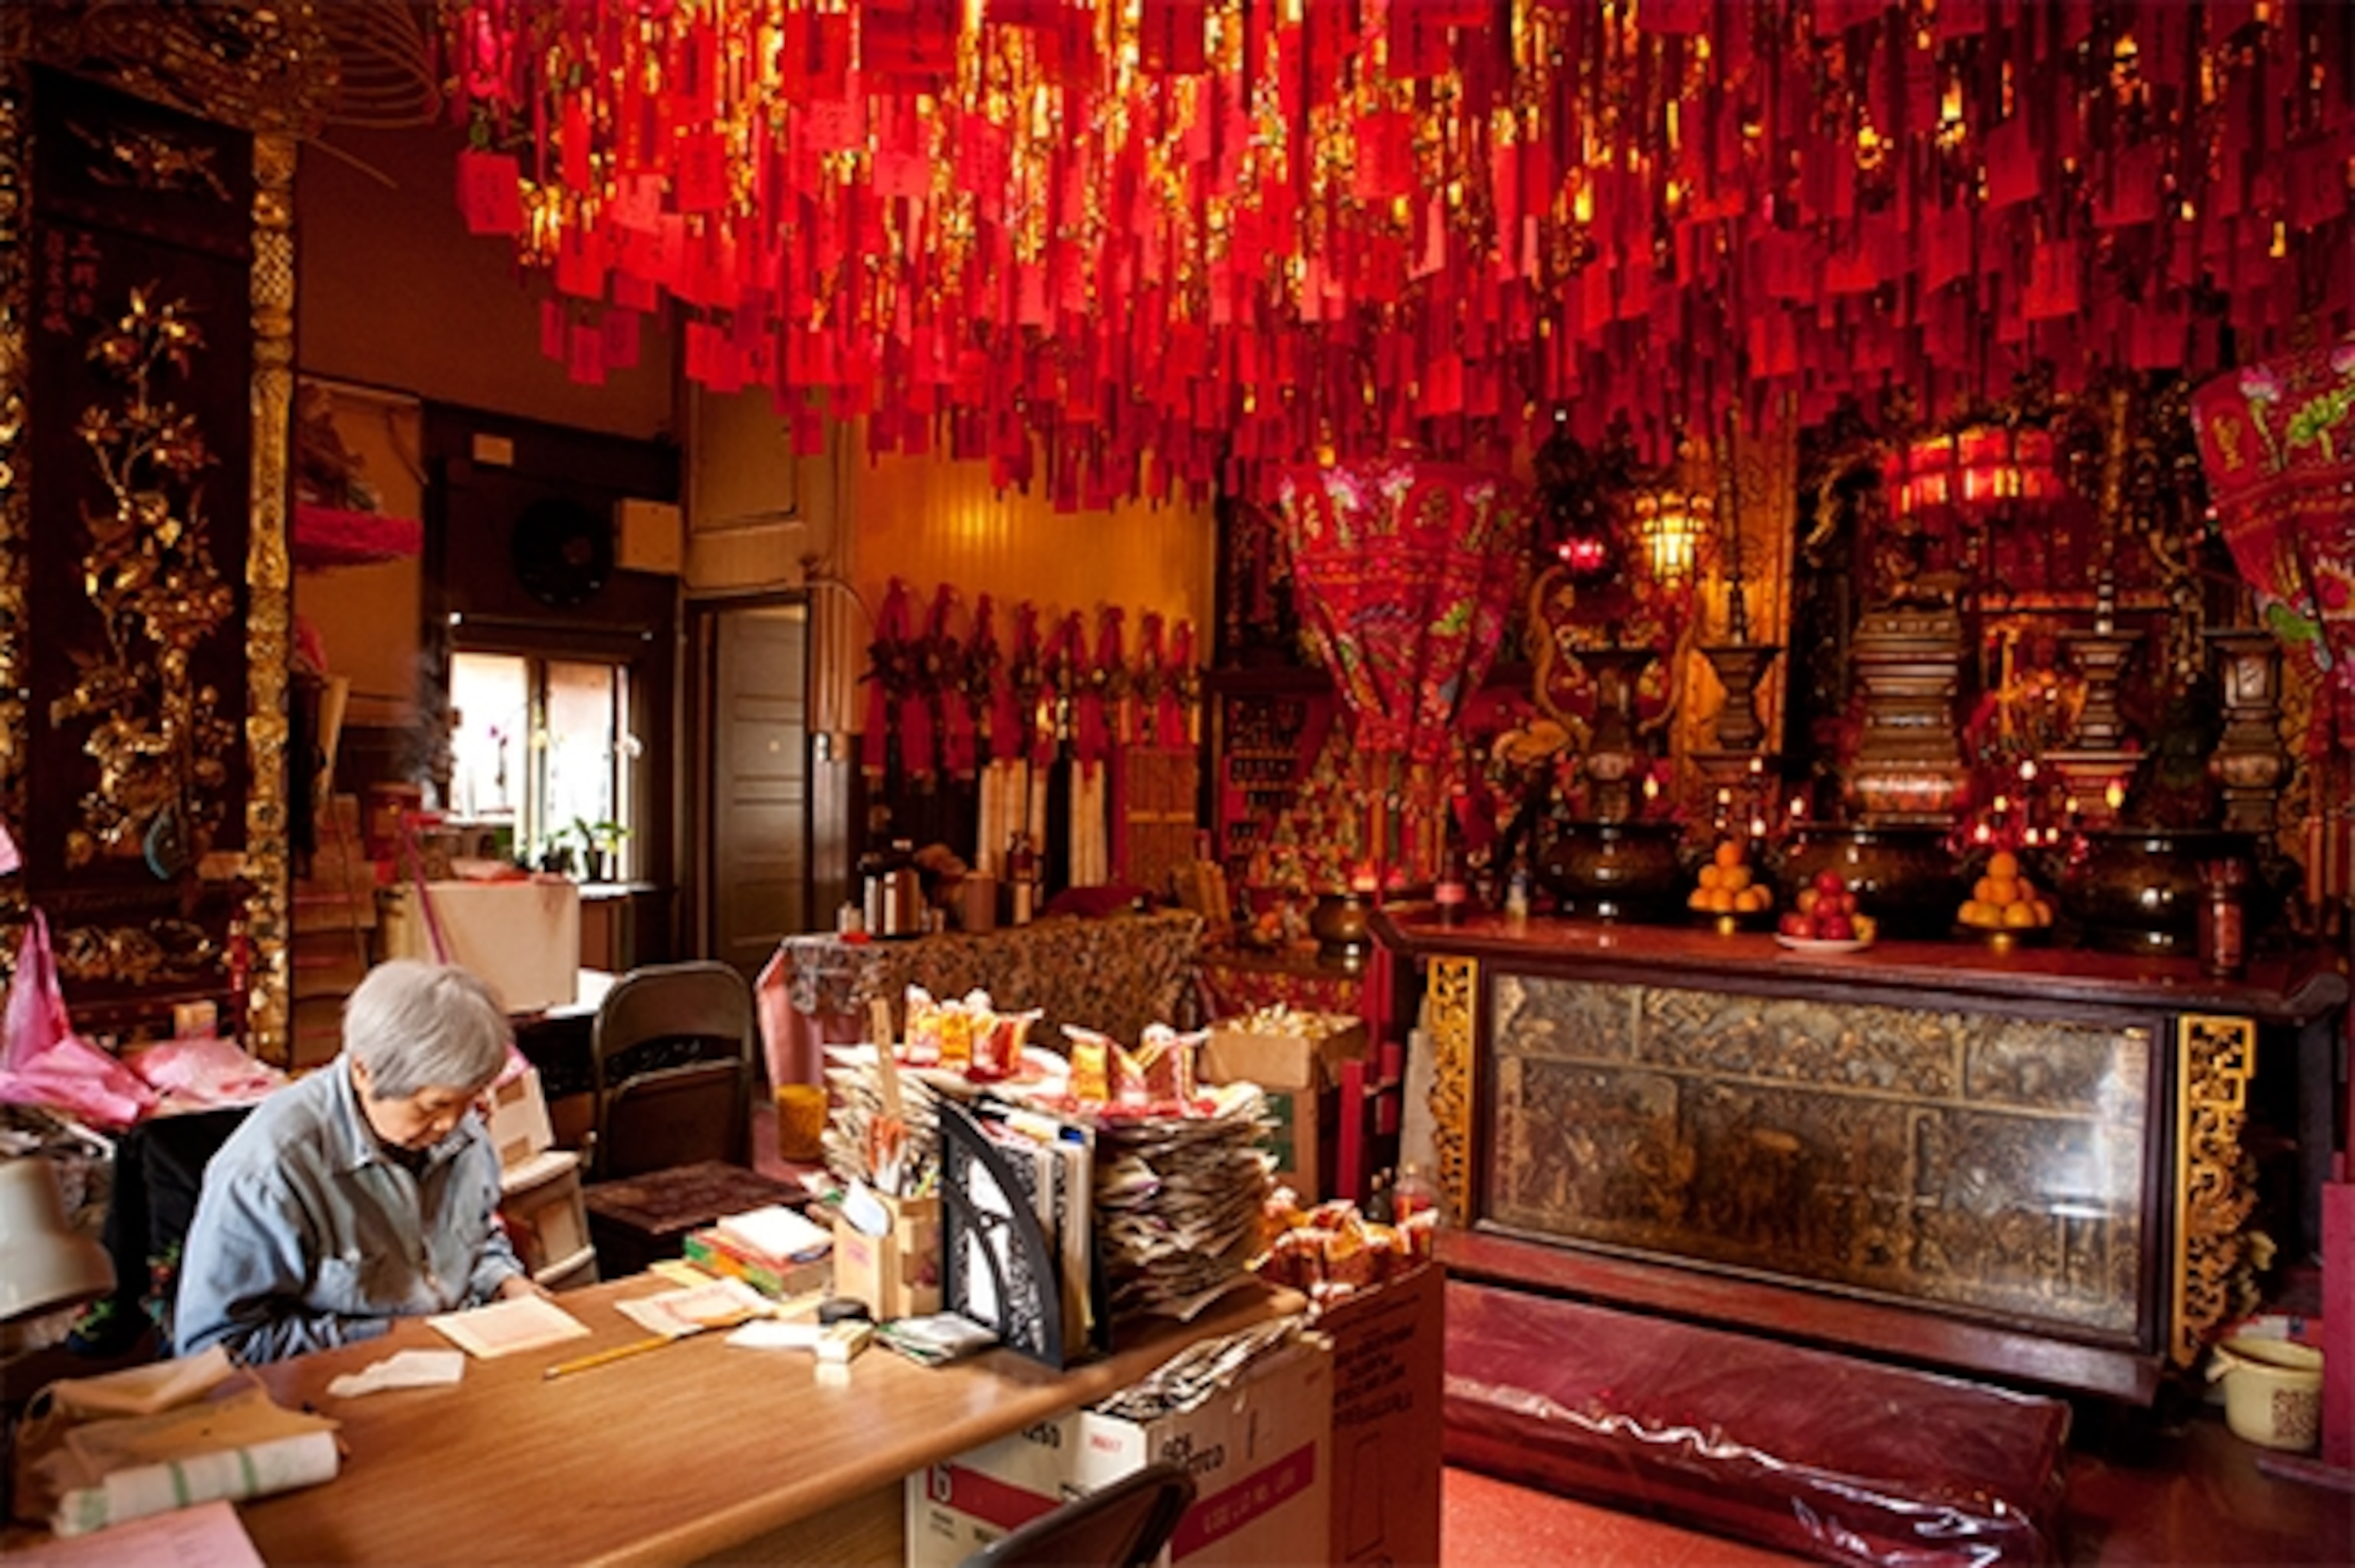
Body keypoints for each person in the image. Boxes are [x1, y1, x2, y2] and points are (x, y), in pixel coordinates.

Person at [174, 960, 544, 1365]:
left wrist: (504, 1282)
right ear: (363, 1072)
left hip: (451, 1360)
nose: (452, 1124)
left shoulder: (461, 1130)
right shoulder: (268, 1169)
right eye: (433, 1106)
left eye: (468, 1101)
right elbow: (217, 1349)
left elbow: (473, 1235)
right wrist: (389, 1336)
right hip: (329, 1390)